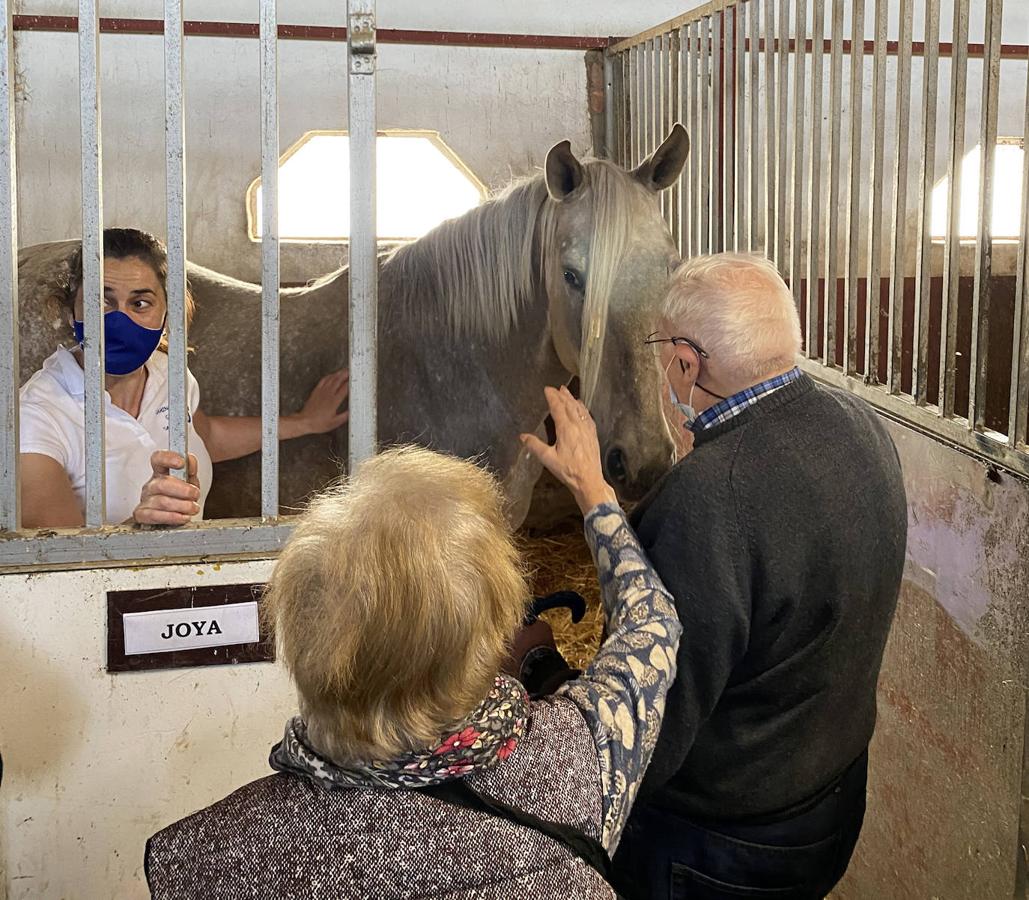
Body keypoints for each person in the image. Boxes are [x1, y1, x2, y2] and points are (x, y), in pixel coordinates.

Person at [145, 389, 682, 899]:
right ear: (493, 636)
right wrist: (593, 493)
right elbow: (652, 622)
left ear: (299, 639)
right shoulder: (582, 755)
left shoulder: (201, 858)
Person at [607, 253, 908, 900]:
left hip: (716, 843)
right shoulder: (859, 425)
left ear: (686, 362)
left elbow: (649, 724)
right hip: (827, 801)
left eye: (662, 352)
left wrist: (547, 673)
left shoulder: (707, 496)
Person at [17, 228, 349, 528]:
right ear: (70, 309)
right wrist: (141, 524)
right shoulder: (37, 416)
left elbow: (207, 437)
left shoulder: (168, 373)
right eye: (99, 301)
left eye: (141, 303)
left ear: (167, 312)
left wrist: (304, 422)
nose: (119, 319)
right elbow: (60, 567)